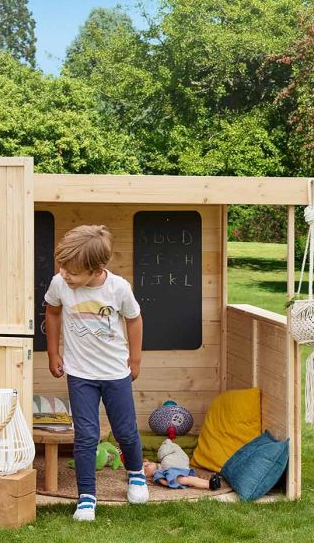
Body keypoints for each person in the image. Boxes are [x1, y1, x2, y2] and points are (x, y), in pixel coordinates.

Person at [45, 224, 146, 522]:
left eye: (72, 272)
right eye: (62, 267)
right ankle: (86, 497)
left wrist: (136, 360)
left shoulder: (118, 288)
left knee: (125, 431)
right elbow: (51, 312)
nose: (65, 275)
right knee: (86, 435)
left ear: (96, 269)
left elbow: (134, 319)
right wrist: (53, 352)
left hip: (115, 373)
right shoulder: (60, 284)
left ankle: (136, 474)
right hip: (80, 374)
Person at [143, 461, 222, 491]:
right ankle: (209, 485)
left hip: (178, 476)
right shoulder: (156, 474)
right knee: (191, 481)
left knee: (193, 478)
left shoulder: (160, 469)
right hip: (176, 479)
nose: (149, 464)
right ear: (146, 474)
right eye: (146, 466)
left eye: (148, 462)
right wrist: (169, 483)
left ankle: (211, 481)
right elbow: (162, 481)